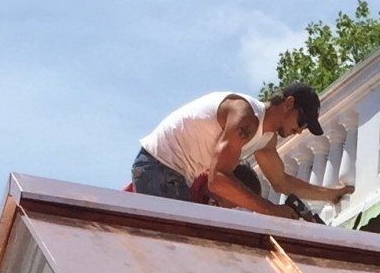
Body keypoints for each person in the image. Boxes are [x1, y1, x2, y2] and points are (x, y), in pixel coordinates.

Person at [131, 88, 351, 218]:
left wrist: (331, 195)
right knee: (182, 248)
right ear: (289, 103)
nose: (300, 130)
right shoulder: (245, 116)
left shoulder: (266, 139)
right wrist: (271, 210)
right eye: (302, 121)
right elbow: (217, 180)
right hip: (157, 168)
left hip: (172, 176)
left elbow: (281, 182)